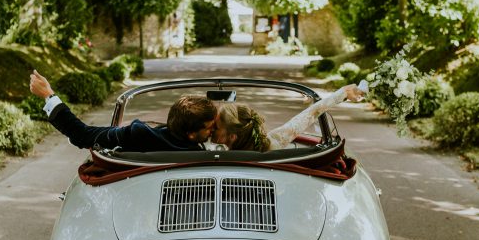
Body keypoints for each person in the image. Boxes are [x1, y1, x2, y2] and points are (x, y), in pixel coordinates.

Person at [29, 70, 218, 152]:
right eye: (210, 127)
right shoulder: (205, 156)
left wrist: (49, 95)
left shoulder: (139, 134)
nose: (214, 131)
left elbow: (82, 134)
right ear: (191, 134)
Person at [212, 84, 366, 152]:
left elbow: (310, 113)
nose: (211, 127)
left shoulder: (218, 159)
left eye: (216, 127)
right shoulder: (273, 143)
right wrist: (343, 93)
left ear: (232, 136)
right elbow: (309, 115)